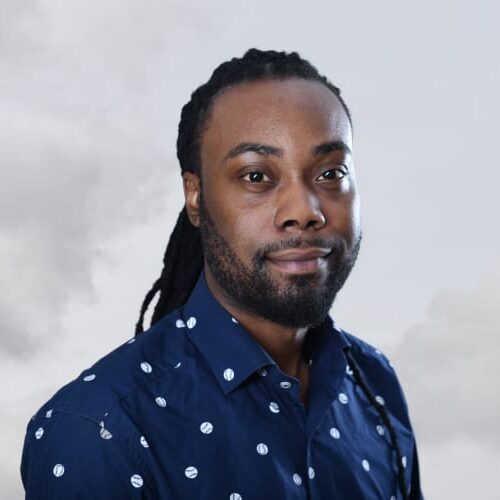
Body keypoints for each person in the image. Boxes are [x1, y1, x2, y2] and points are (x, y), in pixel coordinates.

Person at [20, 48, 424, 499]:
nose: (304, 210)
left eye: (330, 172)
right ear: (196, 196)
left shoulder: (373, 382)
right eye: (256, 177)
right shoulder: (97, 432)